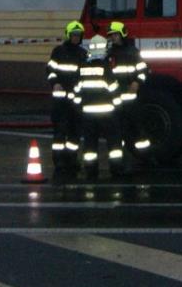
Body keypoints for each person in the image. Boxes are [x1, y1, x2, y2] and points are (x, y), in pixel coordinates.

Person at [73, 29, 124, 179]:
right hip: (108, 113)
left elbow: (77, 91)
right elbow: (114, 90)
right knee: (114, 143)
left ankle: (90, 170)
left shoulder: (83, 69)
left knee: (90, 145)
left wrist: (78, 108)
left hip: (88, 115)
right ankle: (116, 169)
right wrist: (118, 107)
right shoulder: (105, 69)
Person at [105, 21, 152, 167]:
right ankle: (121, 162)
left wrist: (137, 82)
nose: (113, 38)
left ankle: (145, 158)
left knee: (138, 129)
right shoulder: (109, 55)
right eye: (111, 35)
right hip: (116, 101)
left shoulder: (133, 52)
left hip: (132, 100)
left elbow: (143, 71)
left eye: (115, 35)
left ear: (122, 34)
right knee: (118, 131)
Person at [46, 21, 89, 174]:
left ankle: (71, 159)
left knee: (74, 133)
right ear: (69, 35)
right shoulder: (58, 52)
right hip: (60, 102)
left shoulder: (83, 54)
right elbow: (50, 71)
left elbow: (84, 76)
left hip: (76, 102)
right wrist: (55, 83)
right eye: (74, 35)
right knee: (60, 133)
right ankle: (59, 162)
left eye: (79, 35)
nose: (76, 38)